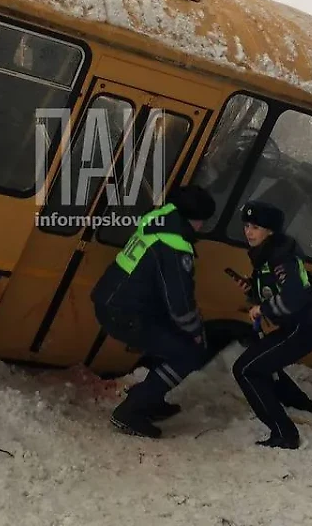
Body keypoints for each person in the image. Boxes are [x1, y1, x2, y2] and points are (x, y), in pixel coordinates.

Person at [91, 184, 216, 438]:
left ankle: (149, 396)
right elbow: (180, 305)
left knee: (174, 339)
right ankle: (130, 412)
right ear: (194, 220)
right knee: (189, 353)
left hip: (115, 303)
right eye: (202, 221)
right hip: (126, 314)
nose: (202, 227)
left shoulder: (158, 223)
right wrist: (196, 331)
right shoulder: (174, 246)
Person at [229, 200, 312, 449]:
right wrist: (252, 292)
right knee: (262, 362)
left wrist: (263, 308)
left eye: (255, 227)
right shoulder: (269, 253)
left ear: (270, 230)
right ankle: (300, 403)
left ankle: (285, 434)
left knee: (246, 370)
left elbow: (294, 297)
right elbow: (273, 290)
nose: (248, 232)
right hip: (295, 327)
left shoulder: (280, 257)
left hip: (302, 329)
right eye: (247, 225)